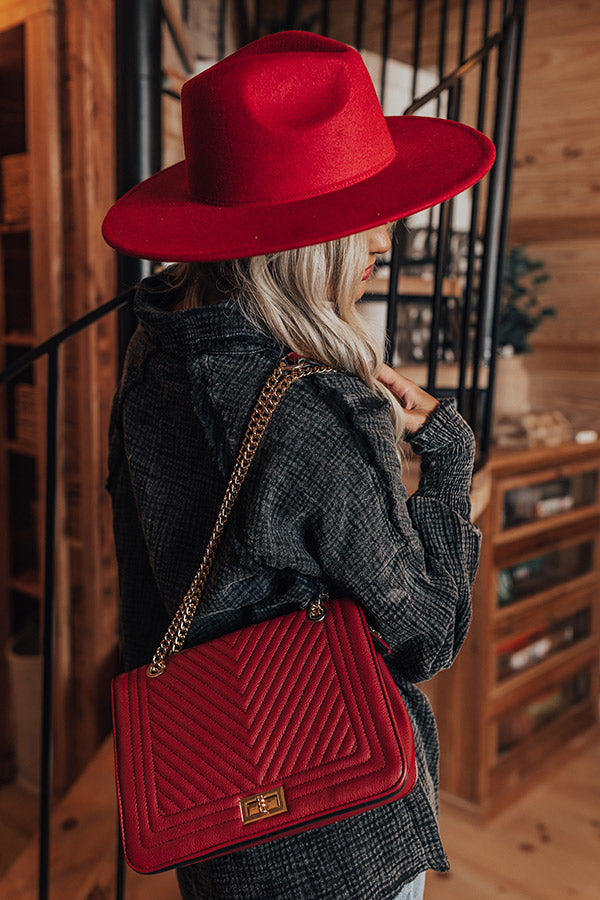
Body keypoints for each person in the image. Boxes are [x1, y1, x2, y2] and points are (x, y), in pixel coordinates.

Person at [103, 30, 494, 900]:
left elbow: (148, 583)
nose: (381, 250)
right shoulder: (313, 411)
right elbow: (427, 633)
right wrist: (451, 458)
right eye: (371, 235)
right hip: (335, 832)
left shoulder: (154, 352)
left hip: (206, 799)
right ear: (315, 245)